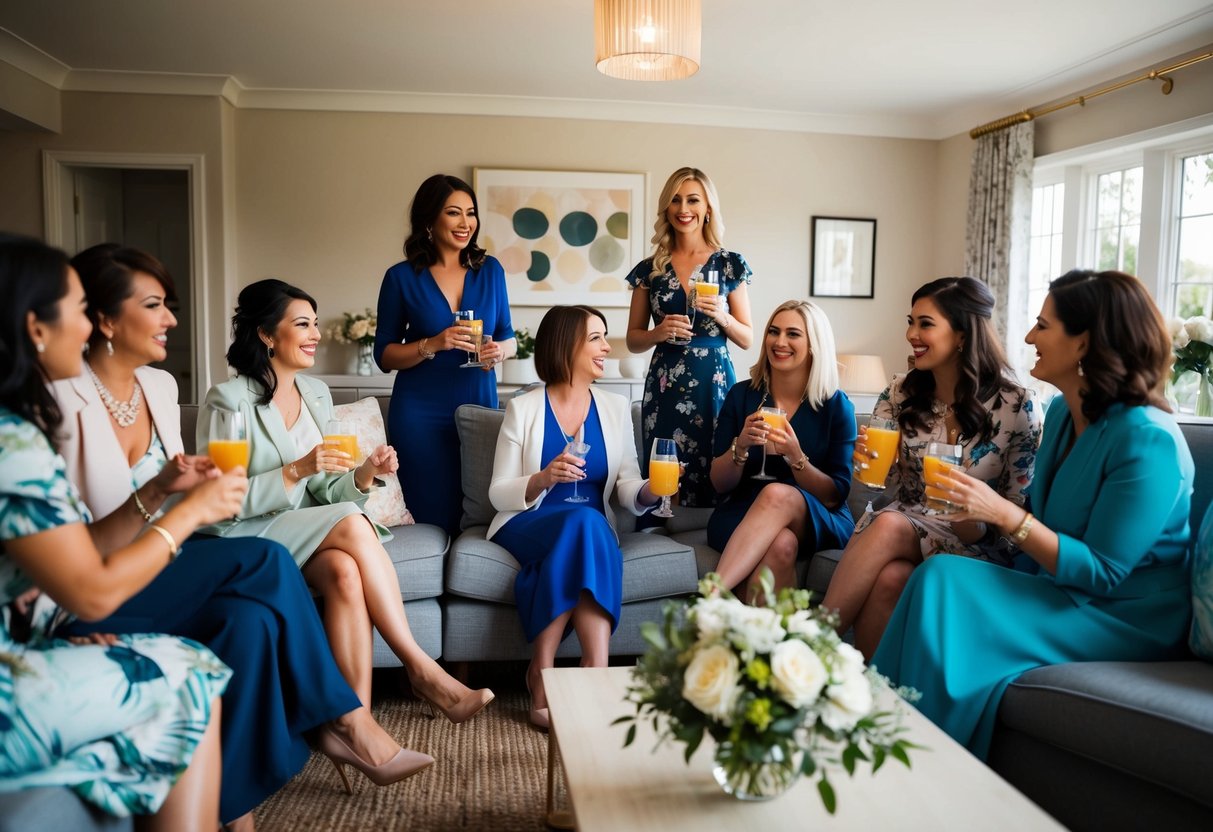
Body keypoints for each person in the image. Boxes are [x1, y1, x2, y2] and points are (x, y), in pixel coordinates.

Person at [50, 245, 431, 826]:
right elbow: (205, 512)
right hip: (118, 572)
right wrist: (189, 498)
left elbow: (184, 493)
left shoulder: (155, 387)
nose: (173, 319)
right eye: (155, 305)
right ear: (104, 320)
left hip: (169, 554)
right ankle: (349, 716)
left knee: (256, 619)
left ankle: (241, 808)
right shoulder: (59, 402)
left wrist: (361, 475)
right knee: (269, 563)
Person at [872, 270, 1194, 760]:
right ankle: (880, 730)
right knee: (933, 578)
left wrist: (1002, 513)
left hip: (1125, 613)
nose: (1027, 337)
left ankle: (918, 756)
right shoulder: (1064, 413)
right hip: (1057, 585)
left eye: (1042, 326)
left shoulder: (1149, 439)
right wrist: (976, 513)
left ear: (1084, 341)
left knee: (942, 583)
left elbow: (1104, 572)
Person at [0, 234, 232, 831]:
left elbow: (70, 556)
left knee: (250, 604)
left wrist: (158, 492)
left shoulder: (16, 426)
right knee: (194, 672)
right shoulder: (15, 440)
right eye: (78, 310)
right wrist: (188, 515)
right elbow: (93, 593)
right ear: (35, 327)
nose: (86, 327)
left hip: (27, 639)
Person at [199, 278, 493, 724]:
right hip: (244, 531)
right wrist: (297, 468)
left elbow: (329, 489)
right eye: (303, 324)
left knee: (344, 571)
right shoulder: (229, 399)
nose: (316, 333)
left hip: (302, 531)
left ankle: (354, 722)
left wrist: (367, 473)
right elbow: (222, 500)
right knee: (353, 525)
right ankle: (420, 668)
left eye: (316, 323)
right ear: (265, 333)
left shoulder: (315, 393)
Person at [821, 277, 1040, 658]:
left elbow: (1016, 510)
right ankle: (877, 702)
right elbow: (885, 485)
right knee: (891, 577)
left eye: (925, 323)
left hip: (976, 542)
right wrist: (867, 462)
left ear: (962, 333)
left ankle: (811, 645)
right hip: (903, 524)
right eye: (911, 321)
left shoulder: (1018, 406)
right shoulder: (899, 391)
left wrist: (971, 516)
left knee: (888, 523)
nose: (911, 334)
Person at [487, 305, 661, 729]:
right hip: (529, 522)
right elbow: (497, 493)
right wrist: (544, 478)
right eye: (597, 338)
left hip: (589, 527)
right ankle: (591, 671)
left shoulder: (615, 408)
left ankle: (551, 671)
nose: (607, 347)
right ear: (567, 345)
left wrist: (652, 491)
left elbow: (626, 486)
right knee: (585, 527)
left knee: (586, 527)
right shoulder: (523, 408)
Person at [375, 173, 515, 535]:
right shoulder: (400, 278)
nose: (465, 223)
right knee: (426, 509)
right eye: (454, 213)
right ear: (429, 220)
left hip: (477, 402)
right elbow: (384, 355)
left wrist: (499, 352)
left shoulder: (491, 271)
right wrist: (431, 344)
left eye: (471, 213)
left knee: (478, 506)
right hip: (420, 410)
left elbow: (508, 337)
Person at [707, 300, 856, 599]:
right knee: (781, 545)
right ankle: (771, 643)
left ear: (814, 344)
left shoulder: (837, 406)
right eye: (773, 332)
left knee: (775, 493)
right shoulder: (741, 395)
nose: (780, 342)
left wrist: (796, 457)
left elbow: (834, 495)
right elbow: (719, 483)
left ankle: (711, 597)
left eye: (793, 334)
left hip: (817, 514)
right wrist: (741, 447)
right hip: (743, 513)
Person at [625, 167, 754, 508]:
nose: (684, 208)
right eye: (676, 200)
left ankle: (717, 528)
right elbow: (633, 339)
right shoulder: (650, 269)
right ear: (666, 208)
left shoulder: (729, 265)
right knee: (667, 461)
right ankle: (662, 523)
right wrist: (658, 332)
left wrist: (722, 316)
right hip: (665, 382)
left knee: (717, 454)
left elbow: (747, 338)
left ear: (708, 207)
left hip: (714, 380)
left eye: (693, 200)